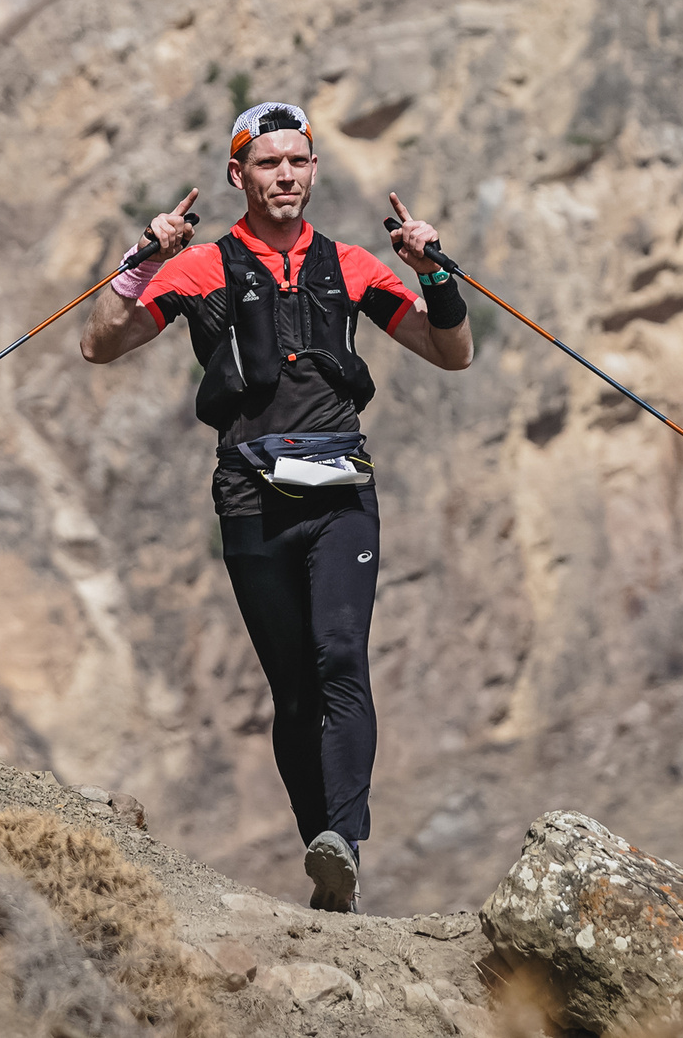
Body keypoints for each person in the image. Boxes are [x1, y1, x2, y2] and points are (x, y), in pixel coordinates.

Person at [78, 100, 473, 913]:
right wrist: (139, 260)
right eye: (267, 163)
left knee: (340, 658)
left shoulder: (354, 264)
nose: (284, 174)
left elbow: (450, 351)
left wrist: (434, 269)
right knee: (292, 691)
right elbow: (99, 342)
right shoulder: (201, 267)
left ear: (314, 169)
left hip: (340, 491)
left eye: (297, 160)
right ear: (238, 175)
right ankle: (327, 859)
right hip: (248, 495)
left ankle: (345, 842)